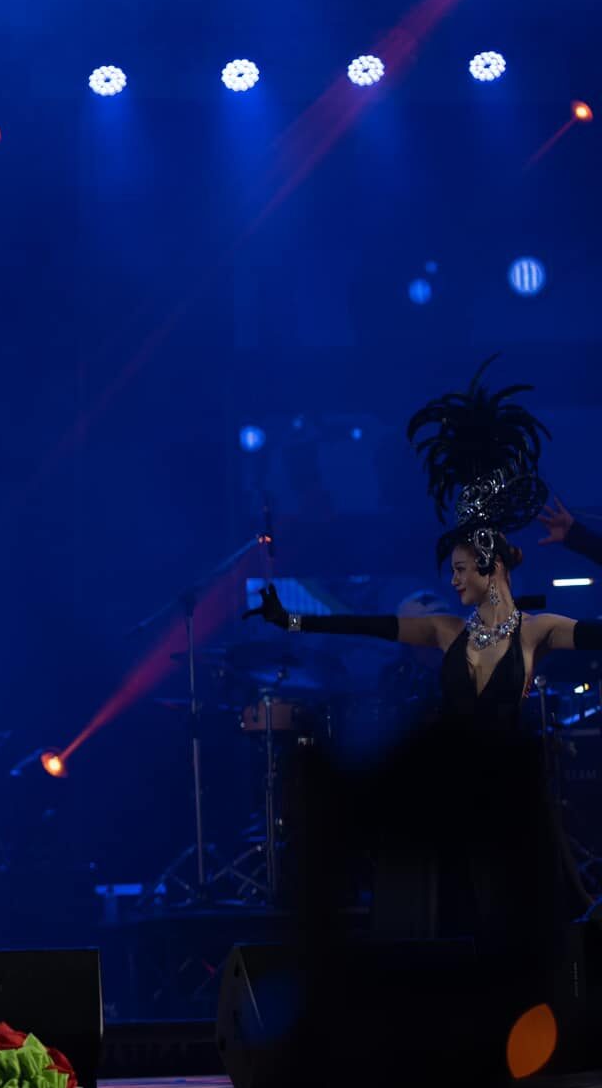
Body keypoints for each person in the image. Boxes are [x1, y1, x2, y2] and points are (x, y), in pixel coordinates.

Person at [248, 359, 601, 937]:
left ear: (493, 571)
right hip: (451, 790)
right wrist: (291, 619)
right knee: (450, 916)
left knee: (516, 919)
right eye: (452, 569)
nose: (455, 580)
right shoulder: (444, 630)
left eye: (462, 570)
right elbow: (366, 626)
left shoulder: (538, 629)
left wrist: (583, 540)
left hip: (510, 791)